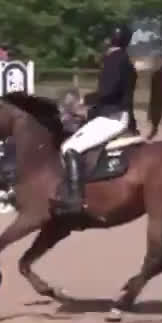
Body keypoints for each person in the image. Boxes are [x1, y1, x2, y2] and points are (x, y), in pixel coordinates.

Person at [52, 25, 138, 217]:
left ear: (109, 41)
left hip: (112, 118)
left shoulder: (114, 60)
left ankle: (75, 200)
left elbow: (108, 92)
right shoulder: (125, 60)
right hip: (114, 115)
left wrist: (86, 100)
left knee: (69, 148)